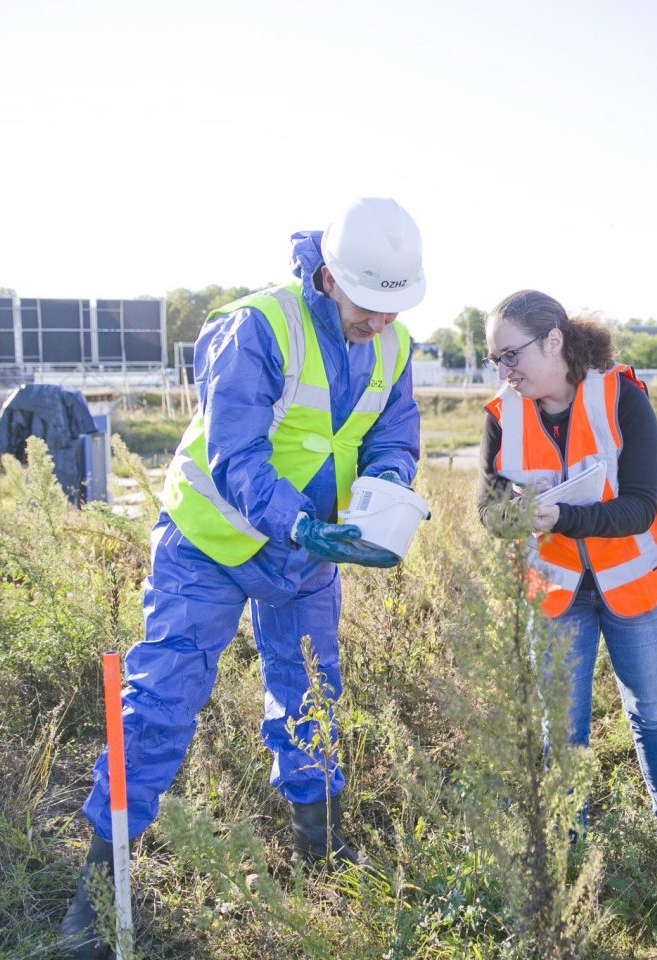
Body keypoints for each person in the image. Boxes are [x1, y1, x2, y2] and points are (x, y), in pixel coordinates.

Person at [60, 198, 425, 956]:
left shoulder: (395, 346)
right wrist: (297, 519)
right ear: (329, 275)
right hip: (212, 545)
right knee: (162, 698)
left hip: (309, 556)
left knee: (314, 691)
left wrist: (384, 490)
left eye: (396, 307)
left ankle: (318, 848)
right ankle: (99, 888)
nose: (381, 322)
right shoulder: (256, 327)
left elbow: (394, 430)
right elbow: (235, 452)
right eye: (370, 304)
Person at [476, 289, 657, 868]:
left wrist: (562, 516)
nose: (504, 370)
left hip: (637, 587)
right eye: (494, 359)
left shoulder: (622, 397)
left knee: (651, 712)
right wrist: (518, 514)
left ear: (554, 341)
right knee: (563, 727)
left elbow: (641, 506)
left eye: (510, 355)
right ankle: (568, 845)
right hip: (555, 594)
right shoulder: (502, 416)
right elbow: (490, 513)